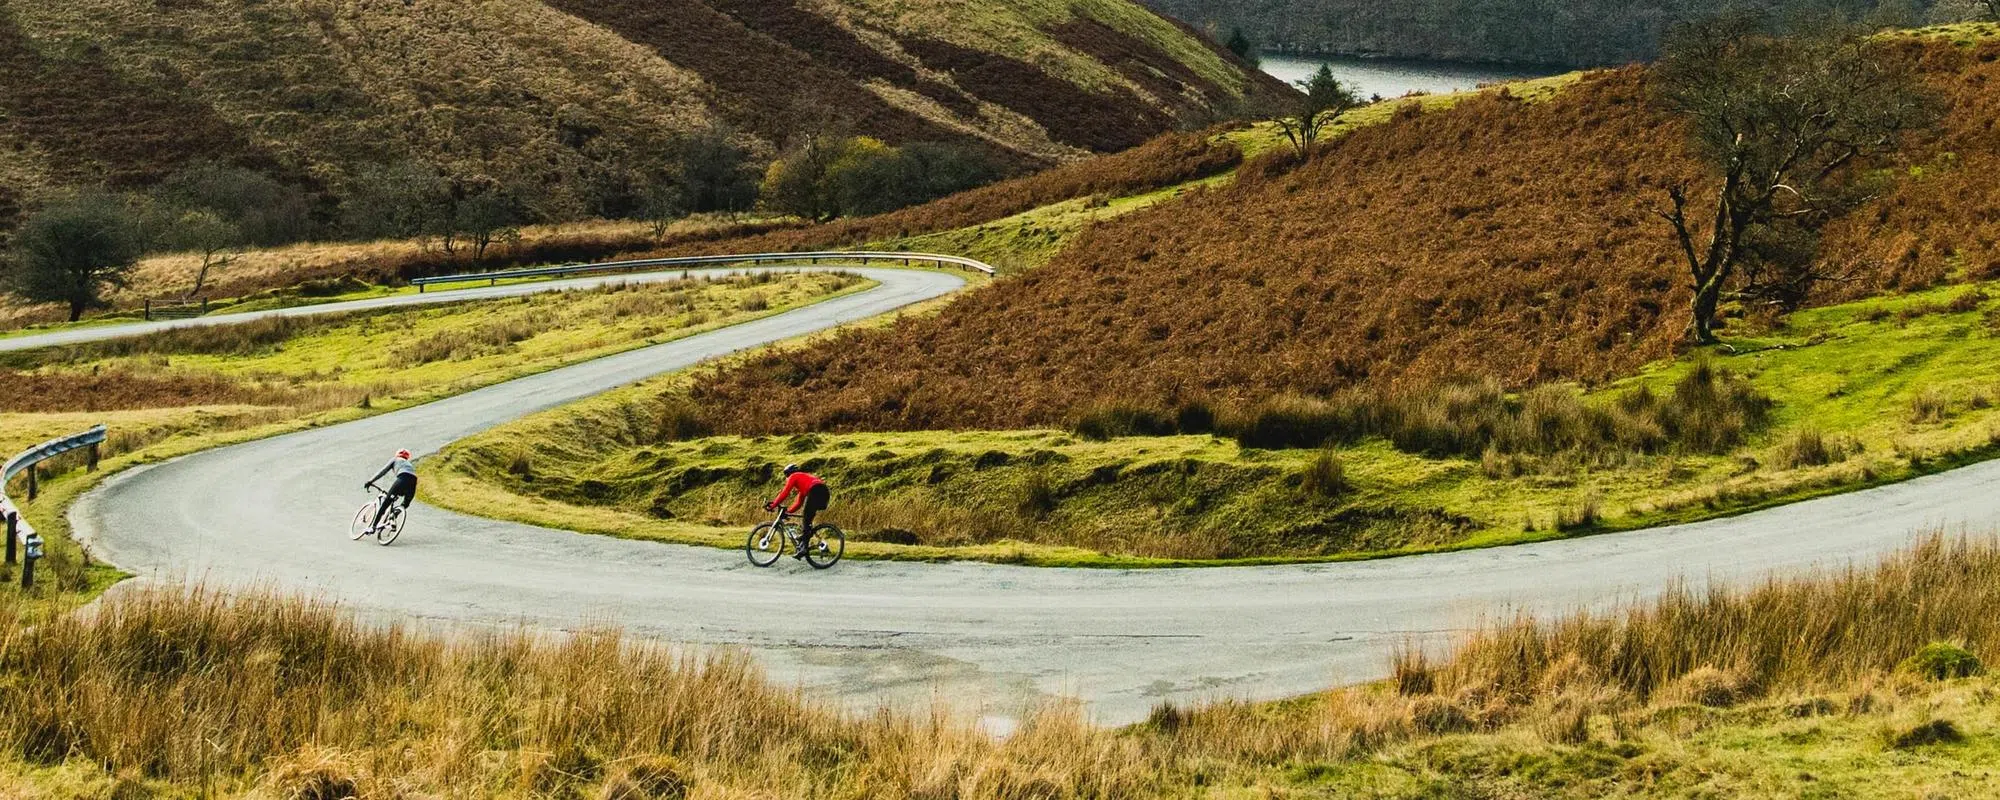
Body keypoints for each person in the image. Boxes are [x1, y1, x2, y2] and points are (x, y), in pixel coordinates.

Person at [766, 464, 830, 558]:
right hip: (823, 492)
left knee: (806, 517)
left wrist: (774, 505)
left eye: (786, 476)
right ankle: (805, 538)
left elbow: (785, 492)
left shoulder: (794, 476)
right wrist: (788, 512)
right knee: (807, 519)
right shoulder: (803, 485)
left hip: (817, 491)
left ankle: (804, 548)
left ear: (789, 473)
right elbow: (798, 503)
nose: (787, 479)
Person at [365, 449, 418, 533]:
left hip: (402, 479)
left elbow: (383, 471)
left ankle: (373, 527)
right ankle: (393, 516)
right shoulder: (409, 464)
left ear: (397, 454)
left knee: (386, 503)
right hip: (413, 482)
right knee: (405, 503)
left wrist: (370, 481)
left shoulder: (395, 459)